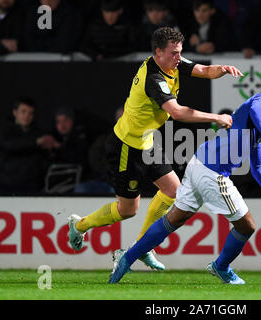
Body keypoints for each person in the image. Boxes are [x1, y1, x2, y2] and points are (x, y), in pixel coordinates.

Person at [67, 27, 242, 271]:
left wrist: (222, 70)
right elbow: (178, 112)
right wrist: (216, 117)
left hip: (147, 143)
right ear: (158, 52)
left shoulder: (173, 62)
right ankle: (80, 225)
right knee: (128, 210)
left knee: (173, 191)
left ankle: (141, 247)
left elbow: (201, 69)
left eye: (180, 52)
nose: (178, 57)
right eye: (173, 53)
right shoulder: (154, 77)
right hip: (126, 146)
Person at [108, 74, 261, 284]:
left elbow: (257, 169)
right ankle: (221, 267)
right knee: (247, 226)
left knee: (174, 219)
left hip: (198, 164)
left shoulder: (256, 126)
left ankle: (126, 258)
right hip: (212, 172)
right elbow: (257, 108)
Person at [0, 97, 59, 193]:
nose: (27, 116)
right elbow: (10, 145)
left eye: (30, 113)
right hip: (7, 185)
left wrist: (54, 147)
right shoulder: (4, 131)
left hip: (31, 185)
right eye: (23, 112)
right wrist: (36, 142)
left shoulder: (38, 133)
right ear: (15, 112)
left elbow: (45, 158)